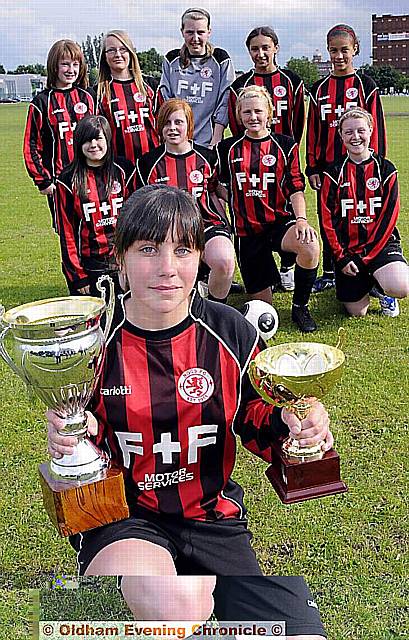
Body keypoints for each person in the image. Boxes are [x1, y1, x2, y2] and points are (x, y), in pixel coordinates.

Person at [47, 185, 330, 639]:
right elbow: (78, 457)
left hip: (212, 518)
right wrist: (66, 443)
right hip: (128, 520)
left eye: (182, 249)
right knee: (175, 604)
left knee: (303, 634)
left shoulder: (230, 331)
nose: (166, 268)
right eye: (148, 249)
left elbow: (257, 417)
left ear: (200, 258)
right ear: (120, 259)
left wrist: (298, 424)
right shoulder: (89, 343)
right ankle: (124, 604)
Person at [216, 85, 320, 332]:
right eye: (247, 112)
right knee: (263, 308)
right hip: (247, 232)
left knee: (310, 245)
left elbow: (295, 187)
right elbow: (216, 186)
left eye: (258, 111)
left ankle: (300, 308)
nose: (253, 117)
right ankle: (269, 278)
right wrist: (227, 209)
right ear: (239, 116)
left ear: (270, 113)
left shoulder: (285, 145)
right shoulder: (227, 149)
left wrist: (302, 220)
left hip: (279, 224)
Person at [306, 24, 387, 293]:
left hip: (362, 168)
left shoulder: (366, 85)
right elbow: (314, 130)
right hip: (329, 169)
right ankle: (331, 271)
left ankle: (371, 269)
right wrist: (313, 167)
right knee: (330, 217)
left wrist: (377, 165)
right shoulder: (319, 89)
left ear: (355, 50)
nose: (339, 56)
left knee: (362, 215)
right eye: (333, 51)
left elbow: (377, 128)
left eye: (344, 50)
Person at [228, 26, 306, 293]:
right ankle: (266, 271)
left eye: (265, 47)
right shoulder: (239, 86)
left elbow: (297, 123)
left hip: (281, 158)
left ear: (276, 47)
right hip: (250, 160)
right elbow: (237, 129)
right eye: (254, 48)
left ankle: (287, 266)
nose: (260, 53)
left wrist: (286, 151)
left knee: (285, 212)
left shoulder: (291, 80)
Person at [136, 98, 234, 303]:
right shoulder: (147, 163)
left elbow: (218, 188)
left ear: (189, 125)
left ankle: (214, 311)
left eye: (178, 122)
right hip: (168, 232)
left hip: (207, 225)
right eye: (167, 123)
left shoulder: (208, 157)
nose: (172, 128)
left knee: (224, 262)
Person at [320, 107, 409, 317]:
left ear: (370, 130)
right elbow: (326, 219)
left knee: (401, 286)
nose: (355, 137)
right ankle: (369, 283)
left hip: (380, 247)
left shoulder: (386, 169)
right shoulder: (333, 173)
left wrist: (367, 257)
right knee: (357, 312)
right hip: (348, 251)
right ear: (341, 136)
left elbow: (389, 219)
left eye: (361, 130)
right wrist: (340, 258)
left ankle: (385, 289)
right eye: (349, 132)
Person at [55, 115, 136, 297]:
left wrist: (133, 260)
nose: (93, 145)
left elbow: (138, 220)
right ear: (78, 143)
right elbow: (67, 232)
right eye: (87, 140)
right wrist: (77, 276)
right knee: (94, 321)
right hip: (89, 266)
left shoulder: (125, 170)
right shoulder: (68, 180)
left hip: (124, 261)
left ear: (107, 139)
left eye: (98, 138)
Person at [23, 39, 96, 230]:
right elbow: (31, 145)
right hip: (60, 182)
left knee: (96, 231)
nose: (71, 69)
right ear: (54, 66)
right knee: (68, 234)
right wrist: (43, 181)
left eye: (75, 64)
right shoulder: (41, 102)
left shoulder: (88, 96)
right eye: (65, 64)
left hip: (92, 177)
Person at [157, 7, 235, 147]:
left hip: (209, 143)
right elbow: (166, 100)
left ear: (209, 32)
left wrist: (216, 139)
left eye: (201, 32)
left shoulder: (220, 59)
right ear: (182, 32)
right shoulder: (171, 60)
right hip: (177, 142)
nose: (195, 38)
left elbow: (225, 100)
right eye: (189, 32)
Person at [97, 30, 159, 165]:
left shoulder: (151, 86)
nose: (118, 54)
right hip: (118, 167)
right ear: (104, 57)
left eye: (123, 49)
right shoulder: (98, 93)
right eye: (111, 50)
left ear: (131, 53)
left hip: (153, 165)